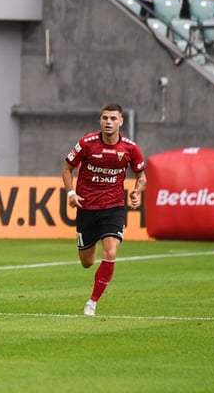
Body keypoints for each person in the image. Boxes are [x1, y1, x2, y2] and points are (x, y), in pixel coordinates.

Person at [61, 103, 146, 317]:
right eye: (105, 118)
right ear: (100, 120)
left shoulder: (130, 148)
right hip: (87, 207)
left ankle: (92, 302)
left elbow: (141, 176)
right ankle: (94, 242)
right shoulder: (87, 143)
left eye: (113, 119)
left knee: (110, 251)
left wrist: (137, 191)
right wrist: (71, 193)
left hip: (114, 206)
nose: (108, 122)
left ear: (121, 122)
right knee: (87, 262)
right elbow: (67, 168)